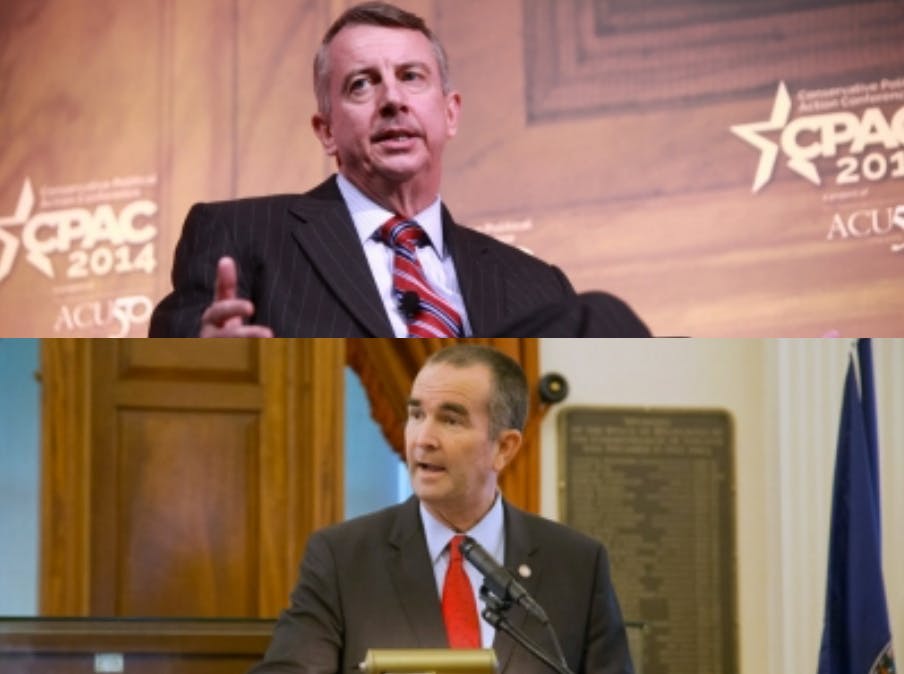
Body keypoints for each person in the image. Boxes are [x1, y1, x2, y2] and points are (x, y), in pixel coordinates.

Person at [148, 2, 650, 338]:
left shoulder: (536, 285)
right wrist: (201, 365)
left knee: (604, 319)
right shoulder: (239, 235)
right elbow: (161, 394)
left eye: (411, 77)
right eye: (361, 85)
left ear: (450, 112)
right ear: (326, 130)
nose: (392, 100)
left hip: (500, 477)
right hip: (331, 467)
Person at [249, 344, 634, 673]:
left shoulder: (578, 564)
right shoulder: (341, 558)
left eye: (450, 420)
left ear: (504, 447)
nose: (423, 439)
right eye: (417, 415)